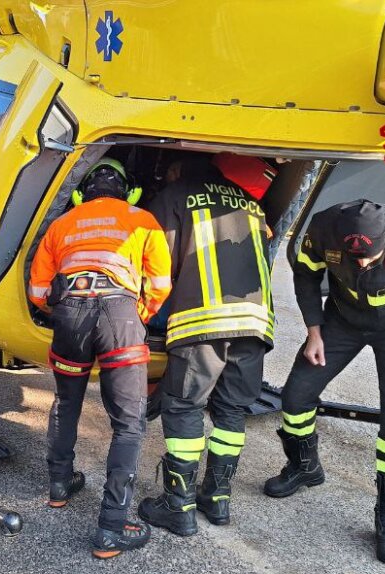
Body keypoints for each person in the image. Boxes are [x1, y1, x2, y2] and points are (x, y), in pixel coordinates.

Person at [264, 199, 385, 565]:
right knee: (295, 396)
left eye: (369, 258)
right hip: (341, 321)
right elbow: (306, 275)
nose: (360, 265)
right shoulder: (323, 228)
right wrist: (314, 332)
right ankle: (305, 467)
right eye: (353, 258)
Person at [28, 157, 172, 559]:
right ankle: (111, 527)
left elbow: (38, 292)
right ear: (129, 192)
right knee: (128, 423)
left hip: (70, 315)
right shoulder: (142, 220)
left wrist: (65, 313)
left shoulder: (62, 223)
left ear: (81, 192)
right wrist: (136, 315)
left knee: (66, 402)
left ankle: (60, 485)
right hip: (120, 315)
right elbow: (160, 284)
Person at [139, 152, 278, 535]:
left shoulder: (174, 196)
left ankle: (178, 506)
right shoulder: (249, 202)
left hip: (203, 320)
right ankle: (217, 498)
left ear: (177, 169)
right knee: (231, 410)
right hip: (255, 322)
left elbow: (157, 263)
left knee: (184, 405)